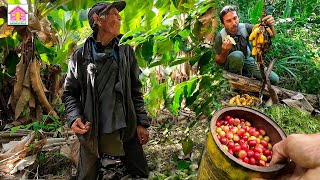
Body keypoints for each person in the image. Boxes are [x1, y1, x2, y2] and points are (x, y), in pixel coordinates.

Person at [62, 1, 150, 179]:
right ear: (97, 19)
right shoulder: (80, 56)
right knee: (86, 176)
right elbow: (69, 93)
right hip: (93, 129)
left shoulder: (126, 51)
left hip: (126, 125)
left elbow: (135, 89)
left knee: (141, 174)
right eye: (114, 13)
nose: (119, 17)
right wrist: (74, 118)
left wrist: (141, 122)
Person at [214, 5, 279, 85]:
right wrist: (224, 51)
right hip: (230, 65)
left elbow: (269, 35)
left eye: (235, 18)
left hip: (247, 61)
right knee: (237, 55)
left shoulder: (244, 28)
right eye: (228, 21)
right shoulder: (220, 37)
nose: (234, 23)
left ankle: (245, 74)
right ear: (223, 24)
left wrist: (270, 25)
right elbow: (219, 62)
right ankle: (236, 83)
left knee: (274, 79)